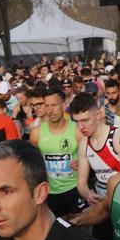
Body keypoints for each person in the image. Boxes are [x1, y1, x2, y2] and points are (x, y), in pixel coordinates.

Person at [29, 87, 83, 219]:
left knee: (80, 225)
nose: (50, 110)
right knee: (58, 230)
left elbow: (89, 156)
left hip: (74, 188)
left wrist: (81, 162)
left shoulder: (77, 129)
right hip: (50, 192)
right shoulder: (36, 133)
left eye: (54, 105)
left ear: (64, 106)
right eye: (46, 105)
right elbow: (33, 163)